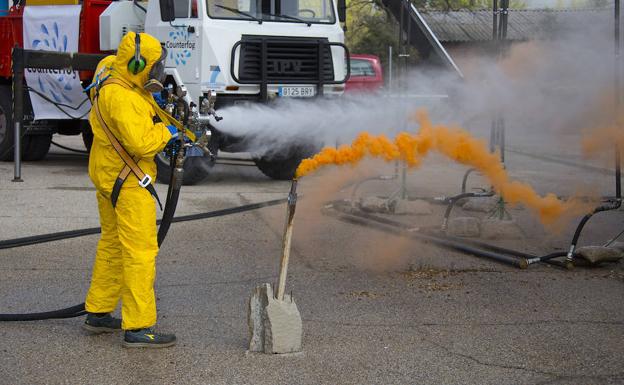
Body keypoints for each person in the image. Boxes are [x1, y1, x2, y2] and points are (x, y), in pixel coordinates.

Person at [82, 32, 179, 348]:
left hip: (108, 175)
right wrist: (167, 131)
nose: (157, 73)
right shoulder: (123, 99)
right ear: (138, 64)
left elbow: (118, 72)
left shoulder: (110, 68)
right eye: (153, 67)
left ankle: (97, 312)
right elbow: (141, 143)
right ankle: (139, 327)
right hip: (128, 181)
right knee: (140, 251)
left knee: (112, 243)